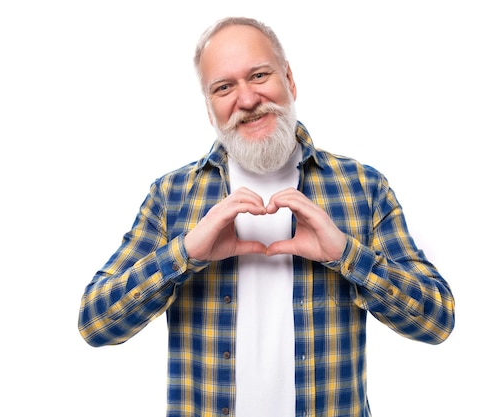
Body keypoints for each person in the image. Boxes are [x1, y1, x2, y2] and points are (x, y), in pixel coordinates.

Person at [78, 16, 455, 417]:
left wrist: (346, 254)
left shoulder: (363, 187)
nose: (246, 99)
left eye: (258, 75)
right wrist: (185, 254)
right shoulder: (170, 197)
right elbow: (95, 323)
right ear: (210, 109)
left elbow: (437, 321)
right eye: (223, 88)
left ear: (289, 80)